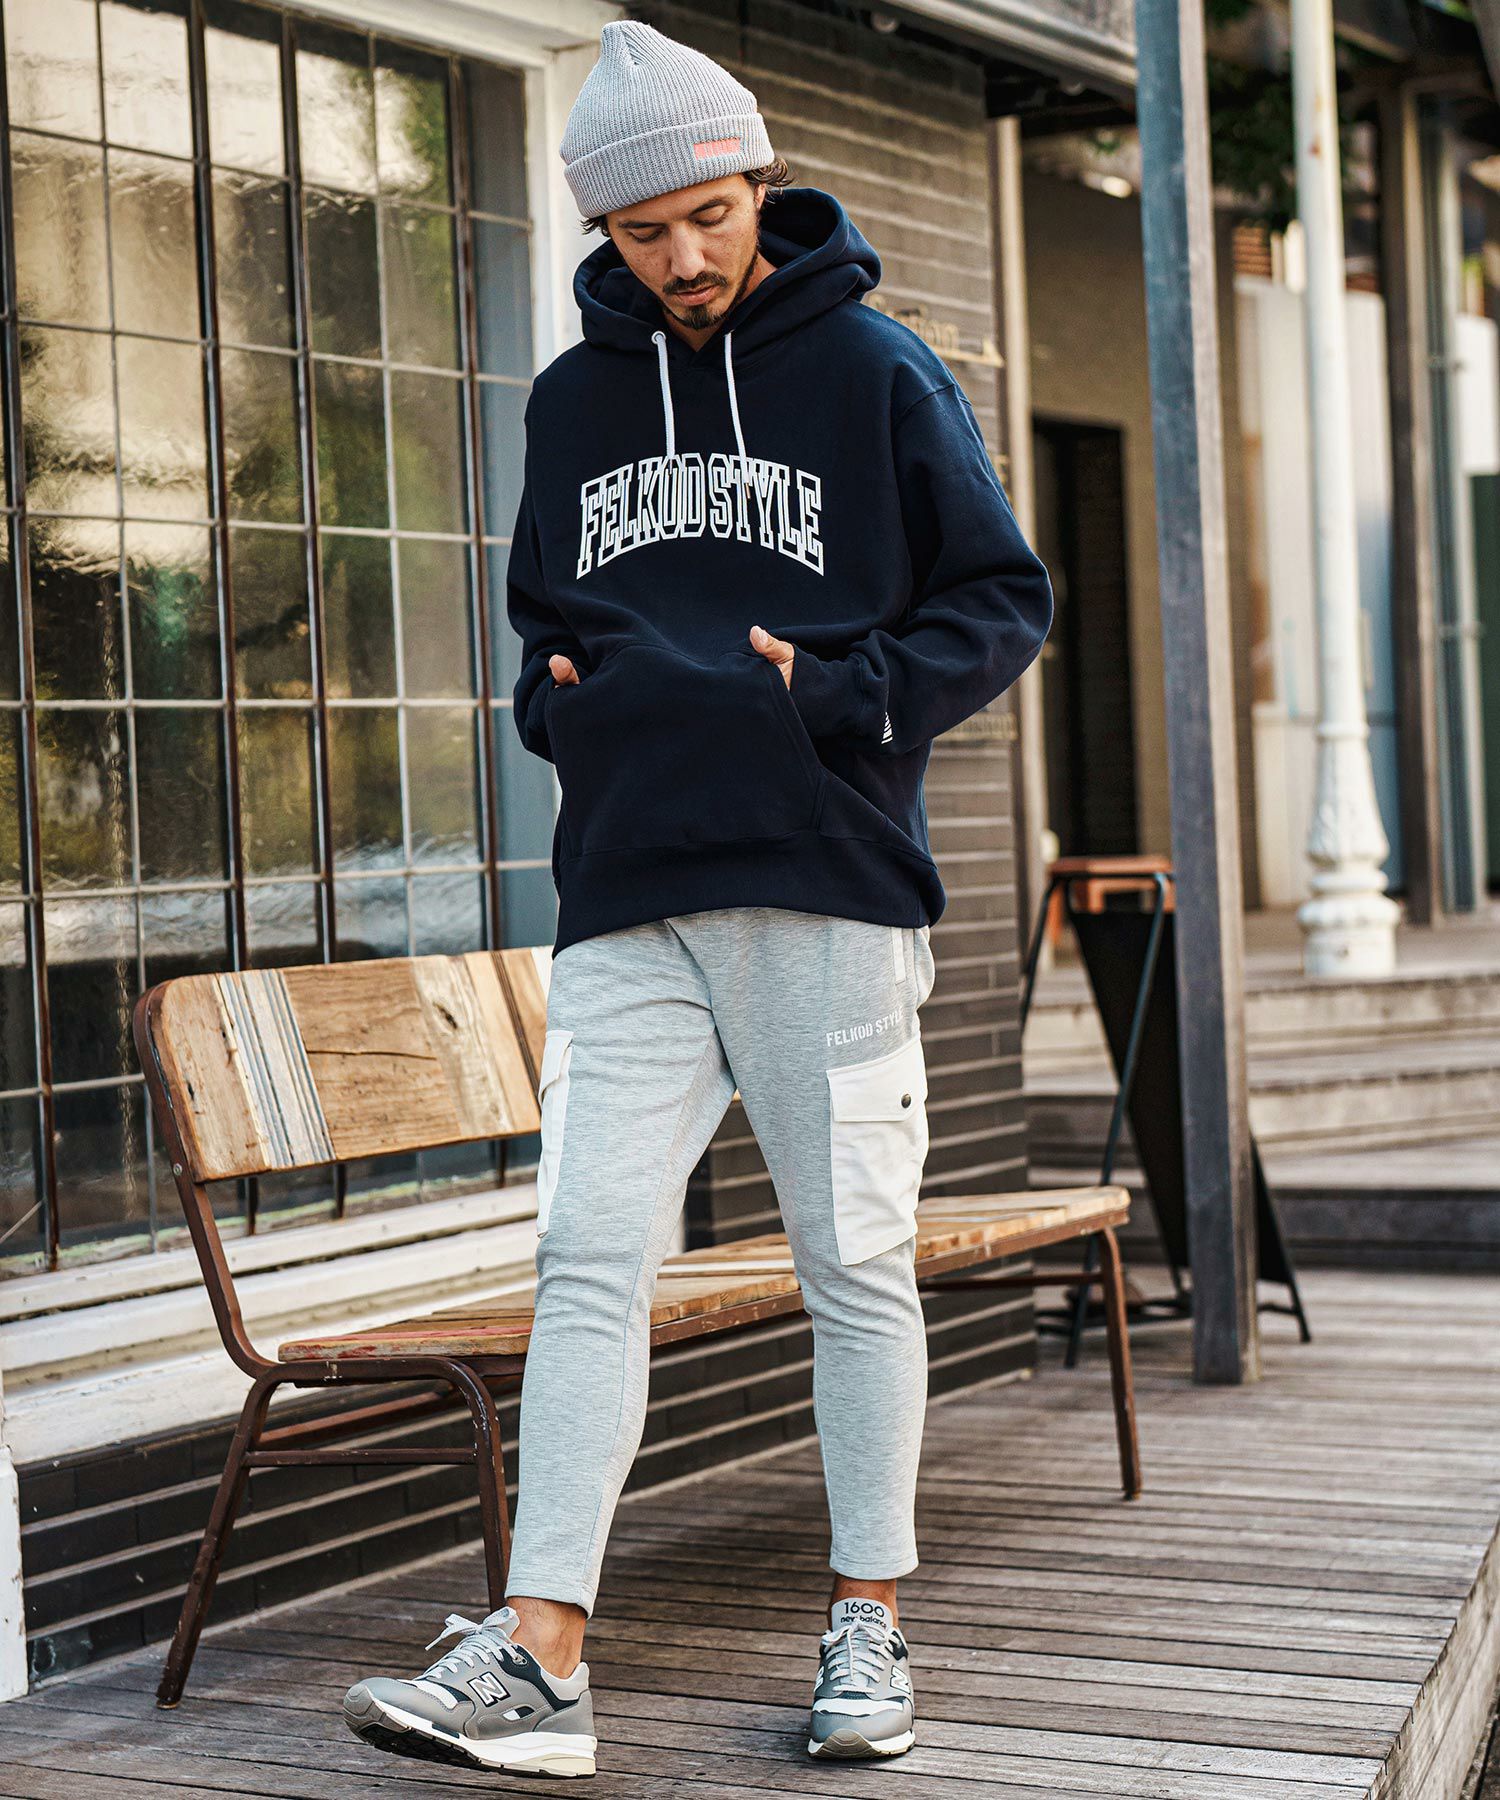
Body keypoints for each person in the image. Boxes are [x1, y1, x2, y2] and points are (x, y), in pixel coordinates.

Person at [342, 18, 1052, 1780]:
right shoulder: (575, 402)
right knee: (587, 1258)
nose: (683, 258)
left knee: (850, 1265)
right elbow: (544, 625)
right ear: (605, 230)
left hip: (824, 883)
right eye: (645, 230)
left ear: (761, 187)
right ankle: (542, 1656)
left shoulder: (878, 370)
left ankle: (869, 1620)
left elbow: (1002, 599)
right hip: (628, 889)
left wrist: (841, 695)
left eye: (710, 217)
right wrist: (559, 714)